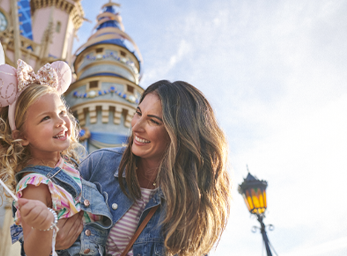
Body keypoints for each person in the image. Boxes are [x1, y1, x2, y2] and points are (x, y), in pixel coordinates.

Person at [58, 80, 231, 256]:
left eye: (153, 121)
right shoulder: (100, 164)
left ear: (178, 134)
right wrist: (51, 236)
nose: (137, 127)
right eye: (138, 113)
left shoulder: (191, 201)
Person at [0, 60, 112, 256]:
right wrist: (45, 225)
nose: (60, 122)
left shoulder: (67, 167)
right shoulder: (35, 183)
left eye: (61, 112)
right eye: (46, 118)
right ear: (22, 137)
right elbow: (34, 251)